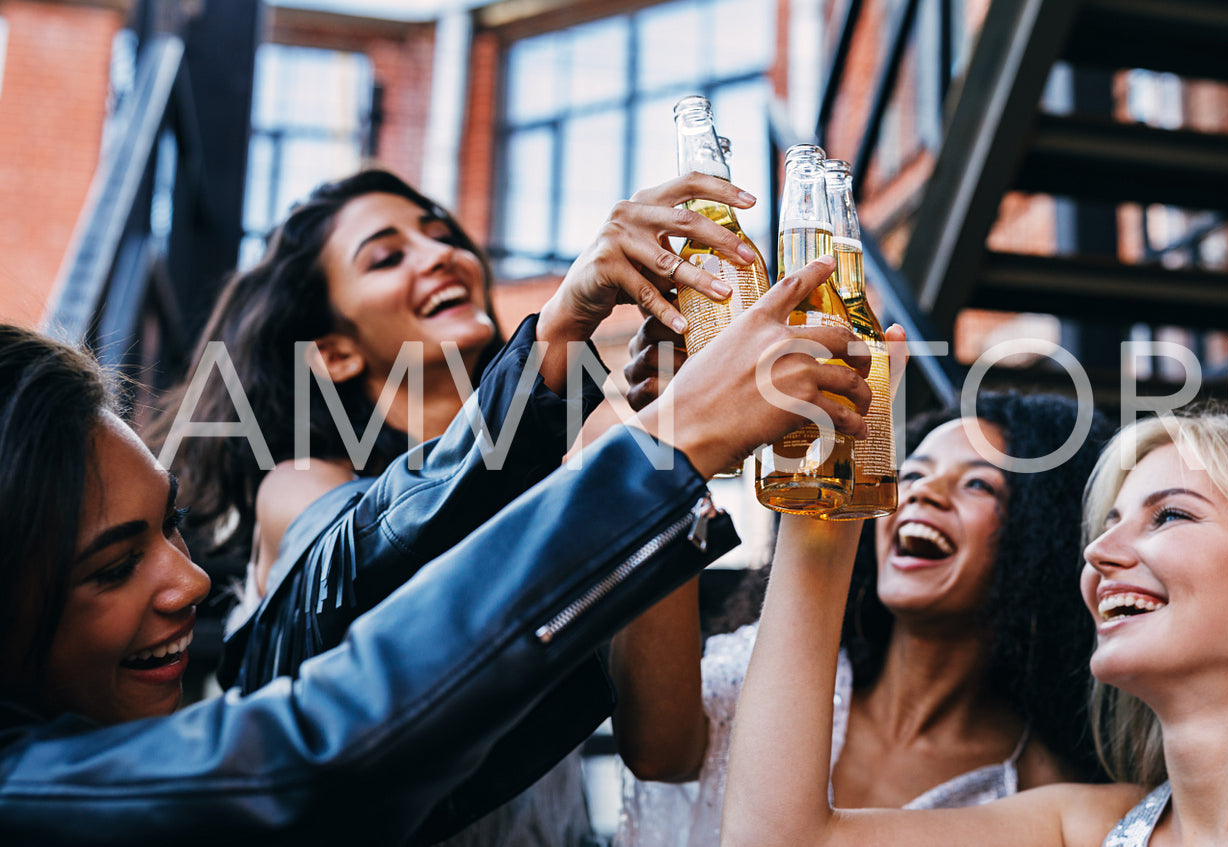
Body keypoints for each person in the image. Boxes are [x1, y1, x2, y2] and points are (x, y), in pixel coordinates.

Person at [0, 253, 869, 843]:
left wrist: (594, 411)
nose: (192, 582)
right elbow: (321, 741)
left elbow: (656, 738)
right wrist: (655, 453)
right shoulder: (302, 484)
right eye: (113, 566)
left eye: (175, 524)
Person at [146, 168, 771, 842]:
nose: (441, 253)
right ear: (333, 353)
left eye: (443, 235)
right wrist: (558, 331)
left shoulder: (589, 463)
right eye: (387, 256)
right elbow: (376, 555)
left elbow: (665, 748)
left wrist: (657, 449)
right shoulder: (299, 485)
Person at [719, 411, 1228, 847]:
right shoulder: (1077, 827)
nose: (1096, 553)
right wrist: (828, 498)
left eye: (1166, 515)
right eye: (1105, 524)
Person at [611, 383, 1114, 846]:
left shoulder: (1039, 784)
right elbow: (656, 751)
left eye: (978, 485)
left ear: (1040, 540)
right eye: (912, 473)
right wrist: (673, 446)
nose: (922, 492)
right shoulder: (772, 670)